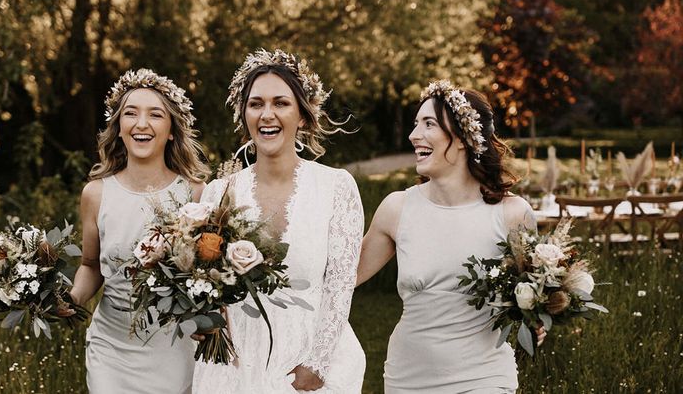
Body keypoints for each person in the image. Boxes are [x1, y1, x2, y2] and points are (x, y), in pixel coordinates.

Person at [193, 49, 365, 393]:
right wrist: (203, 316)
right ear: (244, 115)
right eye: (256, 104)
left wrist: (316, 363)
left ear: (302, 115)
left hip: (308, 365)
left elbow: (340, 286)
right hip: (235, 365)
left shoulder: (336, 187)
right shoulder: (217, 193)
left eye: (280, 103)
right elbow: (203, 281)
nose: (266, 115)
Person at [357, 80, 540, 394]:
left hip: (484, 377)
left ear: (462, 138)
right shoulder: (397, 209)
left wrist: (538, 315)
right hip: (408, 378)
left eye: (429, 124)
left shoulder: (513, 214)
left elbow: (536, 291)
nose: (414, 135)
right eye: (415, 124)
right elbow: (341, 277)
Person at [69, 69, 208, 394]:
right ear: (119, 128)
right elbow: (90, 266)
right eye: (131, 113)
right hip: (111, 347)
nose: (141, 123)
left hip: (174, 347)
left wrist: (208, 319)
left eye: (155, 114)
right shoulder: (95, 194)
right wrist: (71, 299)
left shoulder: (197, 194)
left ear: (172, 130)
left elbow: (210, 274)